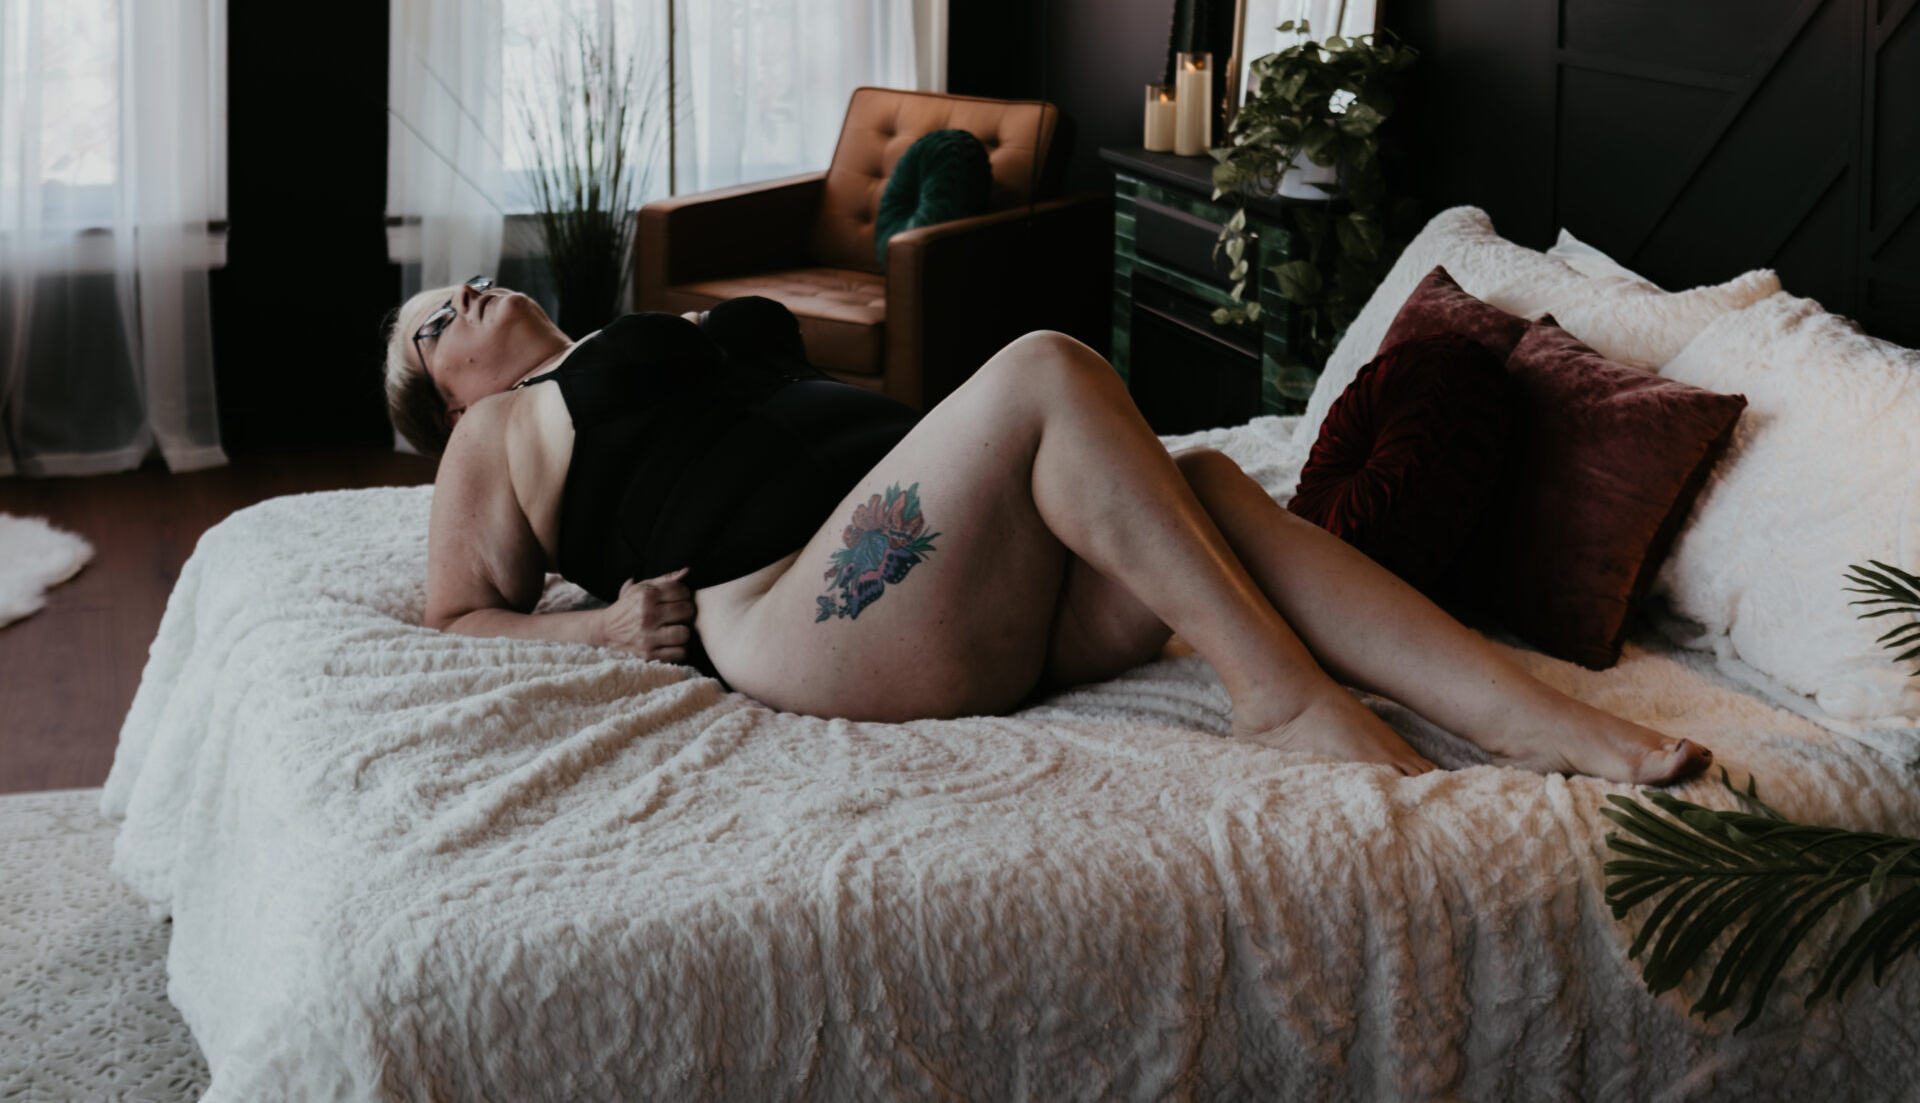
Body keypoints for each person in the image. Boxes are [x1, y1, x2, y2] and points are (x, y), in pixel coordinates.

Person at [383, 277, 1711, 783]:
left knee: (1207, 483)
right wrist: (611, 630)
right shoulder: (496, 435)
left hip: (964, 579)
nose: (463, 298)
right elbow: (457, 616)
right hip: (805, 612)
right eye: (433, 324)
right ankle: (1278, 698)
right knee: (1043, 367)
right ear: (444, 402)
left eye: (458, 288)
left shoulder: (630, 331)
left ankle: (1525, 719)